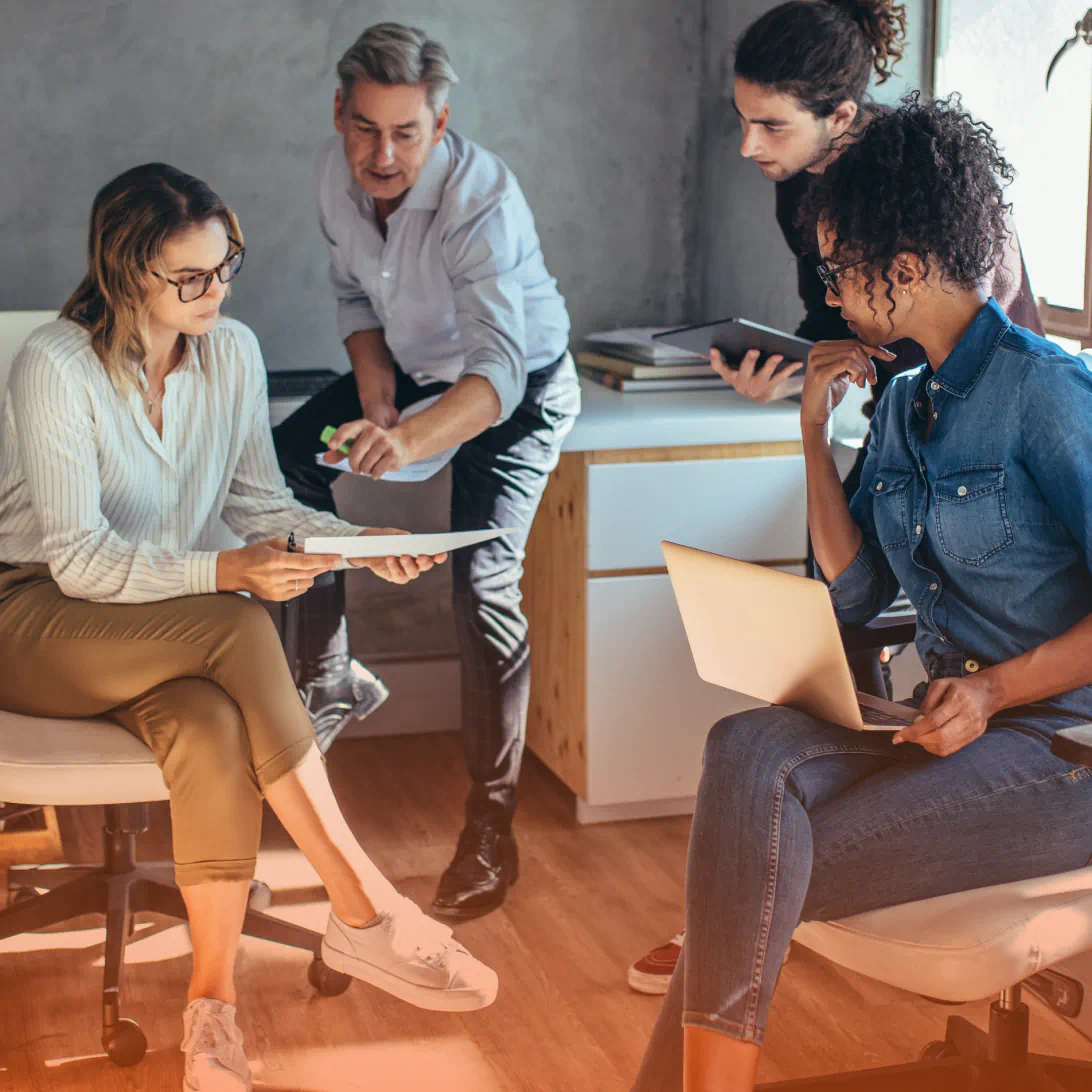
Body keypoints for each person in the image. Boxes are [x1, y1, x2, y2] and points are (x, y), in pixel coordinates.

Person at [0, 163, 498, 1092]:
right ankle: (365, 906)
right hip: (31, 612)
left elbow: (260, 500)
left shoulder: (228, 351)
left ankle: (210, 1019)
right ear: (126, 274)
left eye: (226, 267)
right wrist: (226, 571)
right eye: (189, 278)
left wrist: (358, 542)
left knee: (211, 725)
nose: (215, 292)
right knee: (233, 625)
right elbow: (78, 560)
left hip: (153, 625)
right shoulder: (55, 365)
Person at [631, 93, 1092, 1092]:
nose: (831, 293)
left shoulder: (1044, 393)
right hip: (951, 722)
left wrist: (994, 691)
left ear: (913, 263)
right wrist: (807, 430)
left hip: (1067, 748)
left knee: (749, 866)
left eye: (841, 267)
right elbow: (854, 593)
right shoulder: (900, 399)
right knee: (742, 744)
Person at [273, 23, 580, 920]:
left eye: (407, 133)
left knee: (482, 586)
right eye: (366, 128)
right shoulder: (340, 175)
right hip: (415, 368)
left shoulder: (481, 200)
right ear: (340, 111)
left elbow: (498, 373)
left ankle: (491, 833)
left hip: (512, 391)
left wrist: (405, 443)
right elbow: (353, 294)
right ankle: (327, 675)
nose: (382, 154)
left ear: (440, 124)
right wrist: (375, 390)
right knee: (282, 463)